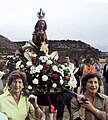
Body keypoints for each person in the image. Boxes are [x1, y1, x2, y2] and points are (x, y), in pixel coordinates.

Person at [57, 56, 76, 120]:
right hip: (64, 85)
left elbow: (71, 71)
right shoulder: (62, 65)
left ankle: (71, 115)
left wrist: (66, 67)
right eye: (65, 58)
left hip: (70, 83)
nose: (66, 59)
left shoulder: (71, 65)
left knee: (70, 100)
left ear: (69, 59)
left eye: (67, 58)